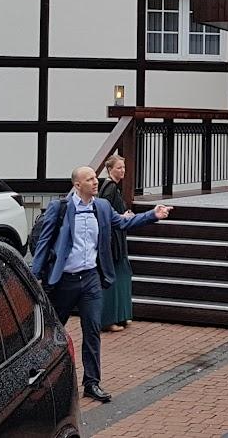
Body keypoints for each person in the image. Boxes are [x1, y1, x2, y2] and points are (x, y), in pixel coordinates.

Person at [31, 165, 172, 403]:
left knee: (93, 330)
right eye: (90, 179)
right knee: (53, 330)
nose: (96, 182)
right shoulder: (61, 208)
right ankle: (40, 375)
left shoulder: (102, 207)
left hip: (90, 279)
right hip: (63, 281)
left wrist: (152, 215)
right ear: (77, 185)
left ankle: (92, 383)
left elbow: (123, 223)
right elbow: (44, 243)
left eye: (96, 178)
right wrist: (35, 275)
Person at [99, 154, 133, 332]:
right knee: (115, 276)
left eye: (123, 167)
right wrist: (122, 216)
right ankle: (110, 319)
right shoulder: (110, 188)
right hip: (113, 240)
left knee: (123, 274)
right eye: (119, 167)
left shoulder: (113, 188)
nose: (122, 170)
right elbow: (105, 212)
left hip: (118, 237)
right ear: (110, 169)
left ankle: (122, 316)